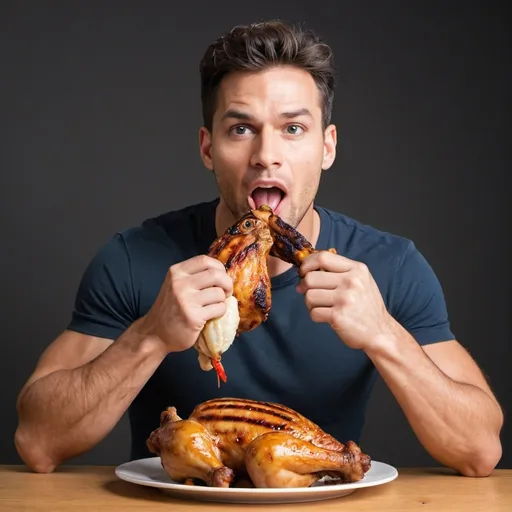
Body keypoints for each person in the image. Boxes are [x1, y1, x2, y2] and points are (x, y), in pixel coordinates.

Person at [15, 19, 503, 477]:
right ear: (208, 148)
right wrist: (151, 335)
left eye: (293, 129)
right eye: (240, 128)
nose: (266, 154)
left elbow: (479, 451)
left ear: (327, 147)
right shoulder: (132, 258)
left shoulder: (389, 265)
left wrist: (384, 334)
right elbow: (38, 442)